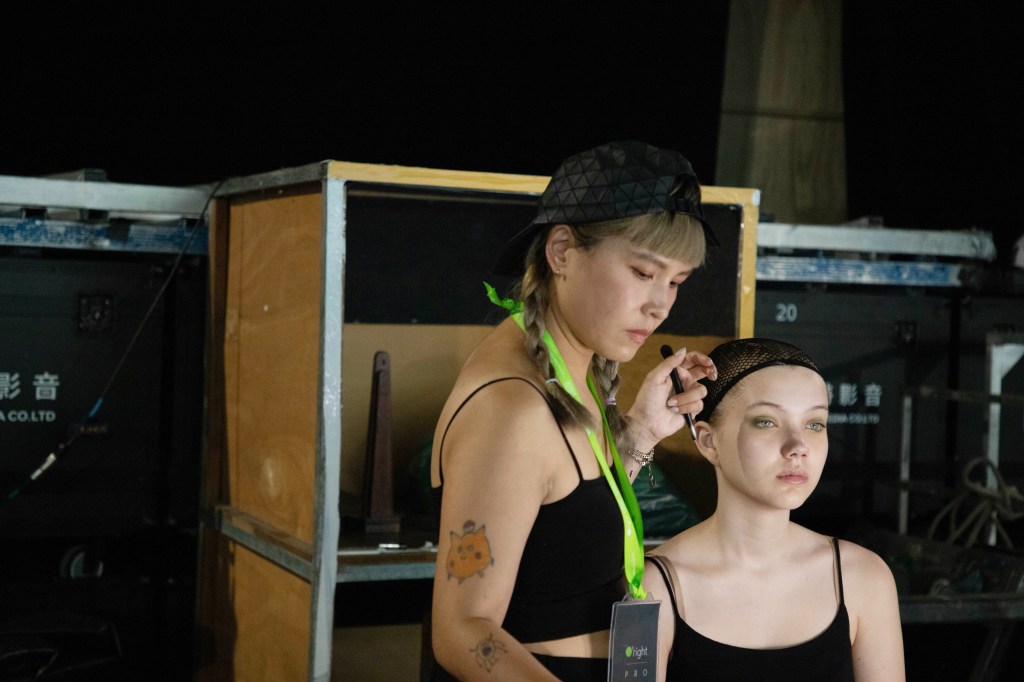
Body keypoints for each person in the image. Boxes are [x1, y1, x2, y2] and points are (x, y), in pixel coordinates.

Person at [429, 141, 719, 681]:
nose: (659, 305)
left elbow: (562, 533)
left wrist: (640, 434)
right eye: (643, 272)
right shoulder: (513, 408)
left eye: (676, 282)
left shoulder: (565, 372)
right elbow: (463, 631)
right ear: (561, 251)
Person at [642, 338, 905, 681]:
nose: (798, 446)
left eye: (815, 424)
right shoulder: (654, 587)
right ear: (708, 441)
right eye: (766, 421)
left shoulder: (863, 578)